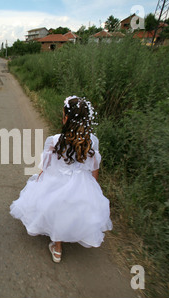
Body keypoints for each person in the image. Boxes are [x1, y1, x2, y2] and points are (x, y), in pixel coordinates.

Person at [10, 96, 112, 263]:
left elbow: (46, 166)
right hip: (82, 183)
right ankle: (70, 232)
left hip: (57, 181)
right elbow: (94, 168)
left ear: (65, 118)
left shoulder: (55, 140)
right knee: (75, 207)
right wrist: (95, 189)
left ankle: (57, 248)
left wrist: (39, 183)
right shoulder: (92, 141)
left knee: (56, 206)